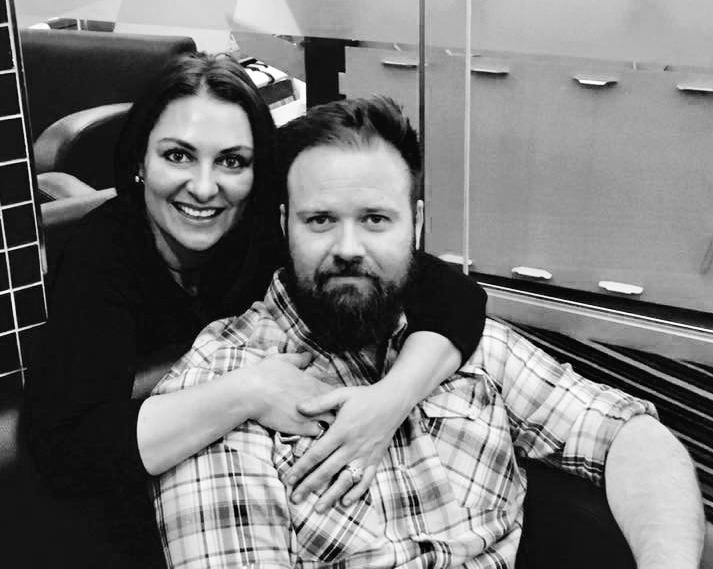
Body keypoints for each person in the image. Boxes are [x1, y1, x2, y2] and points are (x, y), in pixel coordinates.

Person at [151, 96, 705, 569]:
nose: (348, 248)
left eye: (375, 219)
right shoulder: (225, 388)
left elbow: (629, 435)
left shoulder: (464, 345)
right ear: (284, 225)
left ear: (415, 225)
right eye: (321, 220)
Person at [25, 54, 487, 567]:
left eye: (232, 162)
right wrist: (249, 391)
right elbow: (66, 451)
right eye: (178, 156)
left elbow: (454, 295)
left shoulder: (268, 228)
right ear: (140, 160)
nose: (204, 187)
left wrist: (389, 401)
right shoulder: (101, 254)